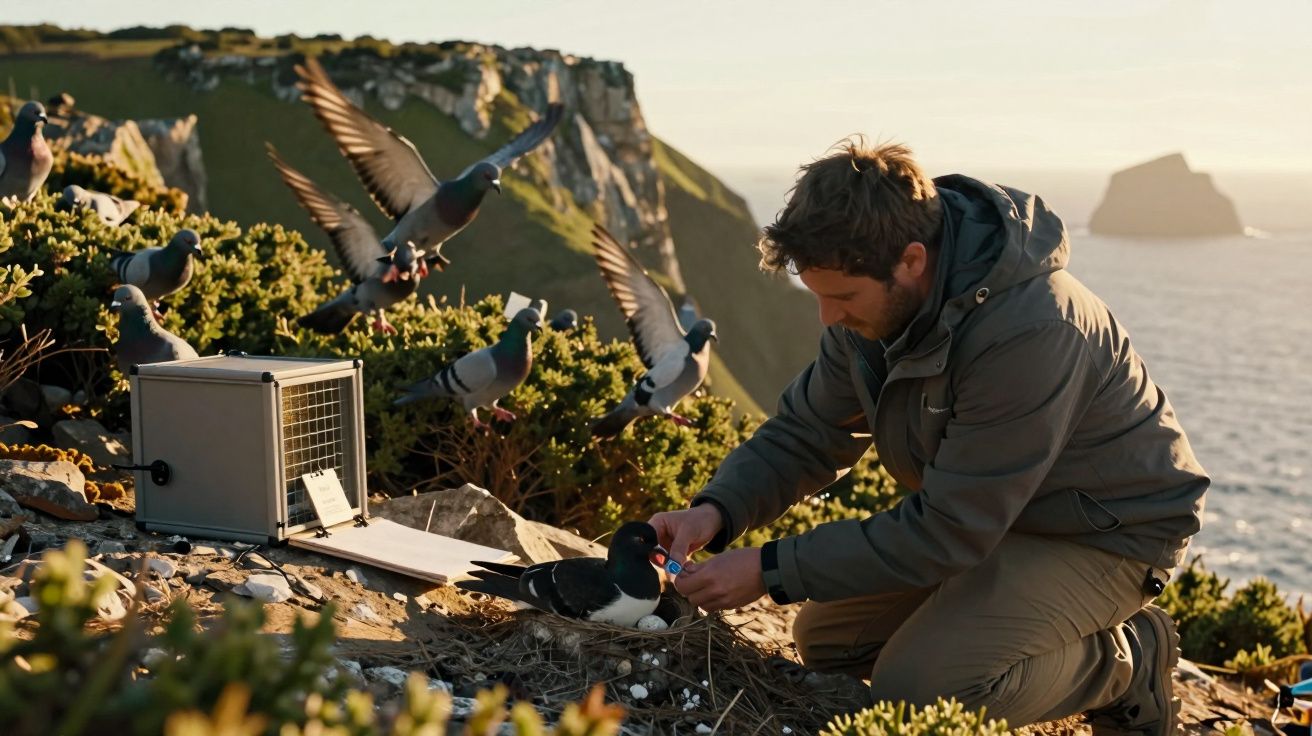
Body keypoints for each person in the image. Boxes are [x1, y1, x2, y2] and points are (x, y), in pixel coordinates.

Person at [649, 138, 1208, 734]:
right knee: (828, 641)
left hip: (1106, 533)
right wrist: (714, 510)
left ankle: (1126, 661)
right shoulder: (875, 304)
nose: (827, 318)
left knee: (922, 693)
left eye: (840, 297)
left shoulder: (1032, 330)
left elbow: (950, 528)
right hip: (998, 519)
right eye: (817, 295)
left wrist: (768, 568)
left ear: (911, 260)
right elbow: (810, 432)